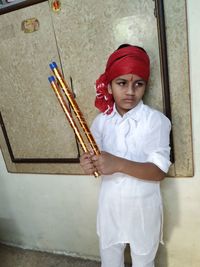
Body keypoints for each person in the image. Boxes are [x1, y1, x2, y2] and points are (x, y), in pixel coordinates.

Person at [80, 44, 171, 267]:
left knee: (143, 262)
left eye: (138, 84)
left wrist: (118, 163)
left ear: (144, 86)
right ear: (109, 86)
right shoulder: (101, 121)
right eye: (122, 83)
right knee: (110, 261)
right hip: (110, 206)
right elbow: (93, 157)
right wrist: (87, 163)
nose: (130, 91)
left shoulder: (155, 121)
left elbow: (159, 171)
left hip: (143, 209)